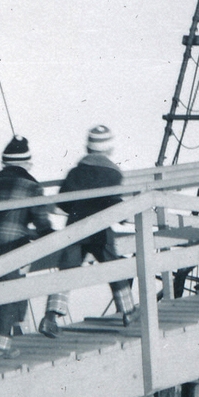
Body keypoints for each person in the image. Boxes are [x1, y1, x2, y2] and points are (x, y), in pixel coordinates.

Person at [39, 125, 137, 337]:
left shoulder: (76, 172)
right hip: (101, 228)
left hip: (76, 226)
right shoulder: (113, 173)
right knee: (113, 266)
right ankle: (128, 310)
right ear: (109, 149)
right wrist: (123, 215)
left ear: (87, 147)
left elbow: (63, 202)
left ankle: (50, 317)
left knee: (67, 270)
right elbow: (113, 199)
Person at [0, 136, 52, 360]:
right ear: (25, 164)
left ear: (5, 164)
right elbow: (42, 222)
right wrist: (45, 235)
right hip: (12, 246)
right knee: (9, 290)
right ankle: (0, 346)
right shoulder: (32, 188)